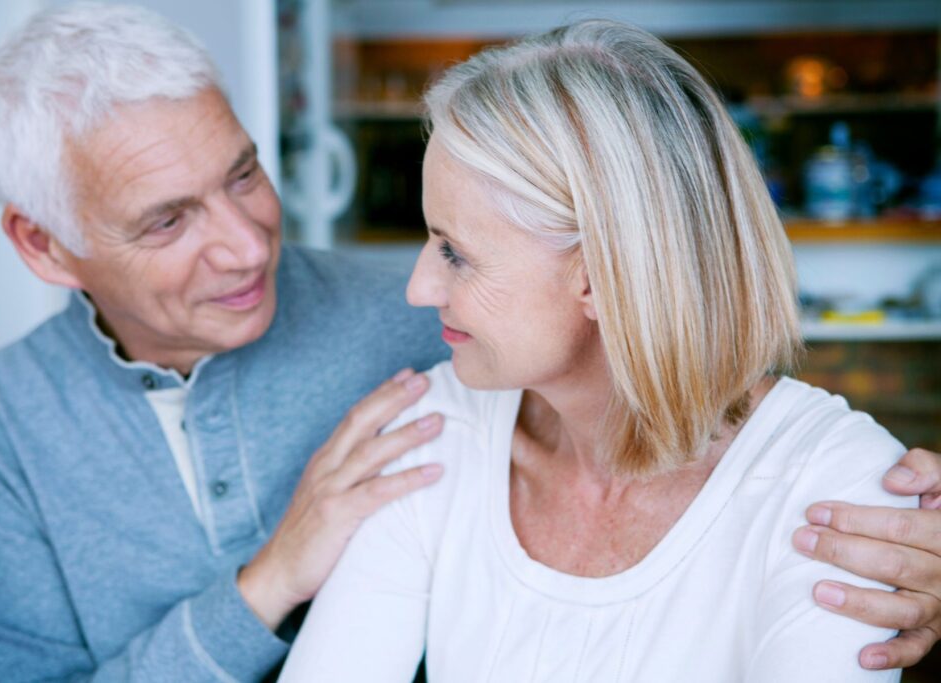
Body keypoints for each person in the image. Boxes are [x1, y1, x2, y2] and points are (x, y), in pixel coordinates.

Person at [0, 3, 941, 681]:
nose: (248, 243)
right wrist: (269, 580)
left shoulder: (440, 346)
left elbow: (721, 410)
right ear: (44, 245)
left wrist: (912, 524)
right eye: (167, 220)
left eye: (244, 173)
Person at [279, 20, 941, 682]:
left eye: (456, 252)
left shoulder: (839, 491)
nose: (419, 289)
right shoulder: (435, 430)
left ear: (602, 276)